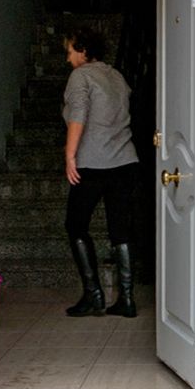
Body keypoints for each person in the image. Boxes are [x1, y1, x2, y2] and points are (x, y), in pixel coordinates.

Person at [61, 26, 141, 318]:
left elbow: (78, 116)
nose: (68, 58)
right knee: (120, 230)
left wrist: (70, 156)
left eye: (70, 51)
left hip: (93, 164)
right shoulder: (117, 76)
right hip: (125, 162)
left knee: (75, 225)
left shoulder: (80, 76)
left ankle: (93, 295)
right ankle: (127, 299)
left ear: (83, 50)